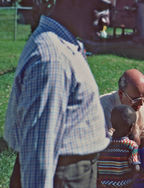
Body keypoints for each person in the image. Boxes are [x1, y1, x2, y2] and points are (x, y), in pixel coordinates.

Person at [4, 0, 111, 187]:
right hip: (64, 177)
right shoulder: (52, 58)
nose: (107, 20)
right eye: (100, 7)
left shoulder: (65, 45)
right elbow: (38, 151)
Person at [100, 69, 144, 146]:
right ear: (121, 94)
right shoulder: (103, 108)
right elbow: (106, 146)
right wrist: (141, 142)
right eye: (135, 99)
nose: (141, 103)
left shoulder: (140, 106)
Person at [97, 105, 141, 187]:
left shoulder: (103, 144)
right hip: (123, 184)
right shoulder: (131, 145)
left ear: (111, 122)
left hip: (103, 185)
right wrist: (131, 181)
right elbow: (136, 168)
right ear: (132, 127)